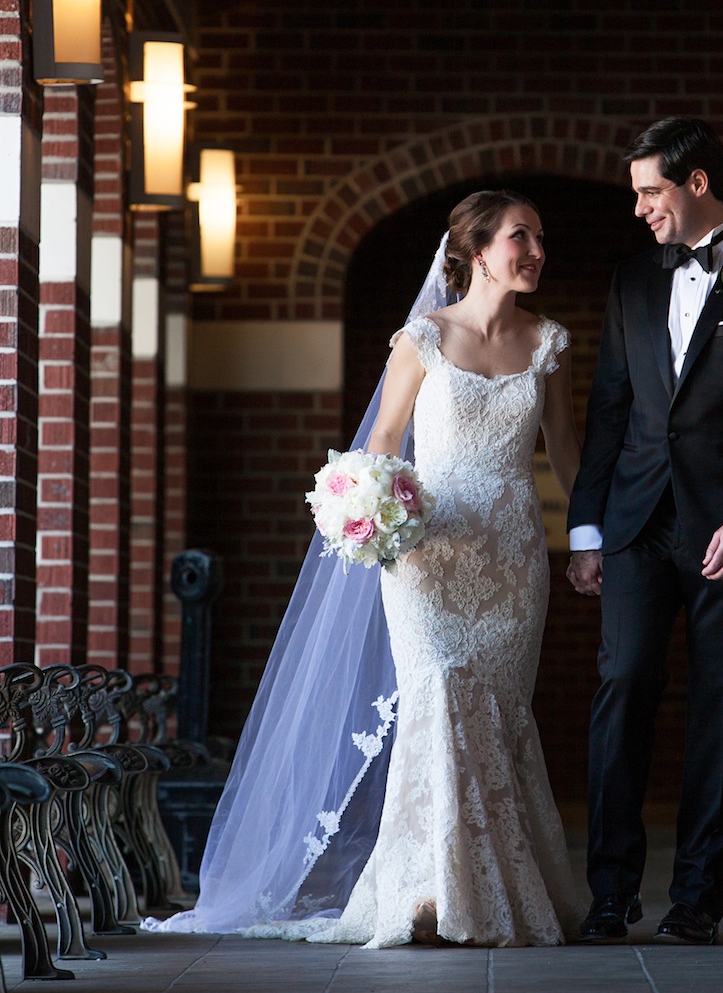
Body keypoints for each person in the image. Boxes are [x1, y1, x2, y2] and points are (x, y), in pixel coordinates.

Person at [147, 190, 580, 949]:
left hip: (512, 555)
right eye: (522, 236)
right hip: (426, 556)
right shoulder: (422, 338)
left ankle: (494, 891)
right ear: (477, 252)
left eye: (541, 237)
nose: (537, 250)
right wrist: (369, 512)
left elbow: (567, 456)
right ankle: (427, 891)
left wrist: (590, 539)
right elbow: (381, 440)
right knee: (438, 696)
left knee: (497, 710)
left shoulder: (549, 345)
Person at [566, 117, 723, 946]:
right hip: (637, 524)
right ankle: (609, 893)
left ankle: (698, 900)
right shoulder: (633, 281)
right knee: (623, 690)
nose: (639, 208)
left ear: (697, 184)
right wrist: (587, 529)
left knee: (719, 707)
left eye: (651, 191)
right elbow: (609, 408)